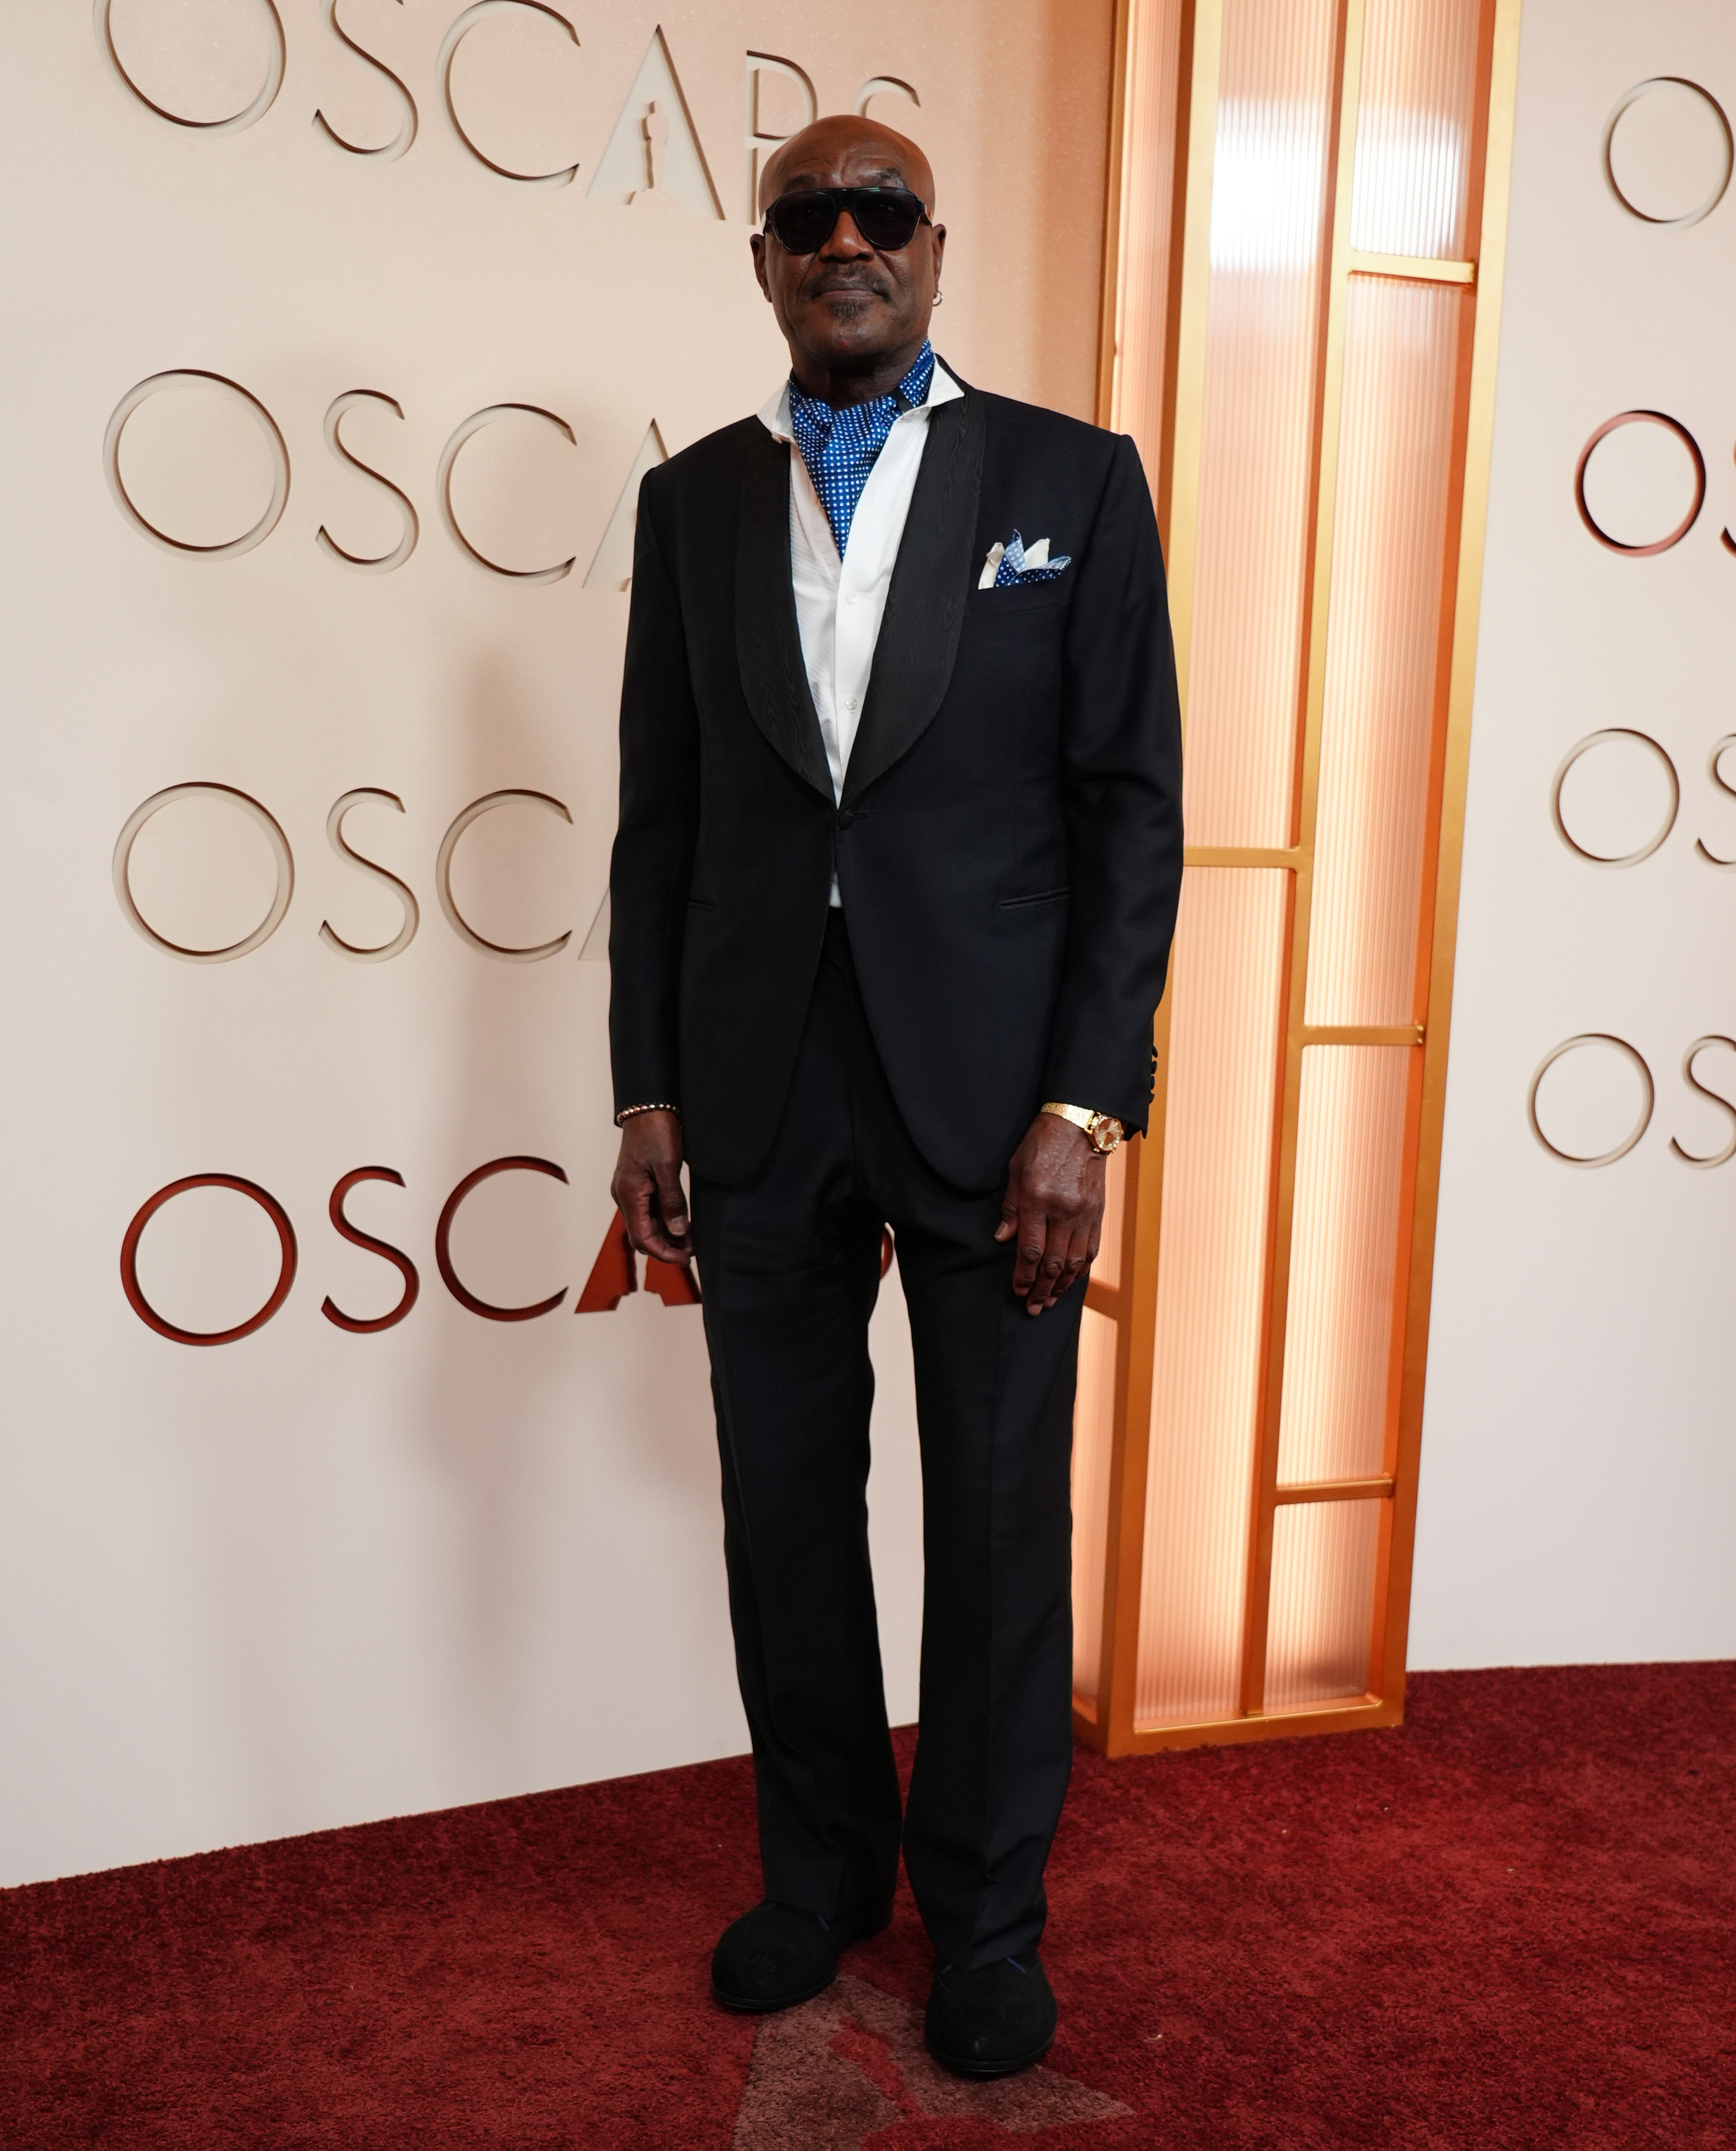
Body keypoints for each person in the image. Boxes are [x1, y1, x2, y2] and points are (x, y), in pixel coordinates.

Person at [607, 113, 1182, 2079]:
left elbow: (1133, 816)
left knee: (1002, 1520)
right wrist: (652, 1091)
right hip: (760, 1091)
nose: (843, 241)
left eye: (882, 215)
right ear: (763, 262)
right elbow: (660, 826)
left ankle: (988, 1920)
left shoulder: (1072, 483)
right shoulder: (691, 505)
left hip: (999, 1105)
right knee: (785, 1509)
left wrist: (1086, 1108)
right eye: (804, 219)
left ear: (938, 249)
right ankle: (825, 1869)